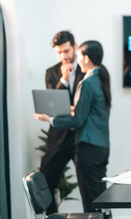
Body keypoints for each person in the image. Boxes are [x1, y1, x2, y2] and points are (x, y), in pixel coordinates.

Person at [35, 40, 111, 212]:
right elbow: (92, 112)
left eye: (77, 55)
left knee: (91, 202)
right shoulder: (101, 77)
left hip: (87, 147)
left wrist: (50, 119)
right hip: (101, 146)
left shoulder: (87, 82)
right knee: (100, 199)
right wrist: (74, 109)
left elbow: (78, 121)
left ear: (86, 58)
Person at [40, 30, 85, 213]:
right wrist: (64, 79)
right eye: (59, 52)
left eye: (66, 51)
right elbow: (52, 106)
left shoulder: (86, 69)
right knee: (45, 179)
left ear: (74, 47)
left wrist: (69, 109)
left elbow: (84, 106)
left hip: (82, 138)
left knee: (88, 188)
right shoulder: (51, 72)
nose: (63, 56)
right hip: (59, 138)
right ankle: (51, 217)